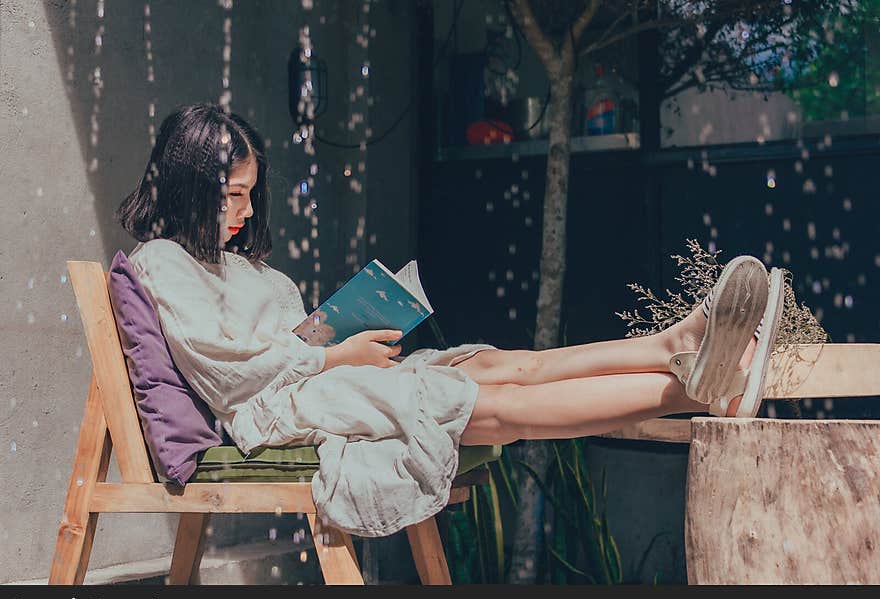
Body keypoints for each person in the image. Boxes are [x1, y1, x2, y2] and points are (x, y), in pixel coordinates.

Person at [117, 103, 784, 538]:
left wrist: (336, 334)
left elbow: (286, 341)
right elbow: (230, 372)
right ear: (188, 183)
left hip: (321, 380)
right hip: (285, 407)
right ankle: (696, 389)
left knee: (498, 362)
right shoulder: (163, 262)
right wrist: (334, 356)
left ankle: (678, 340)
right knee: (494, 401)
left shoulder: (236, 264)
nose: (242, 210)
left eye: (250, 194)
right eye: (232, 194)